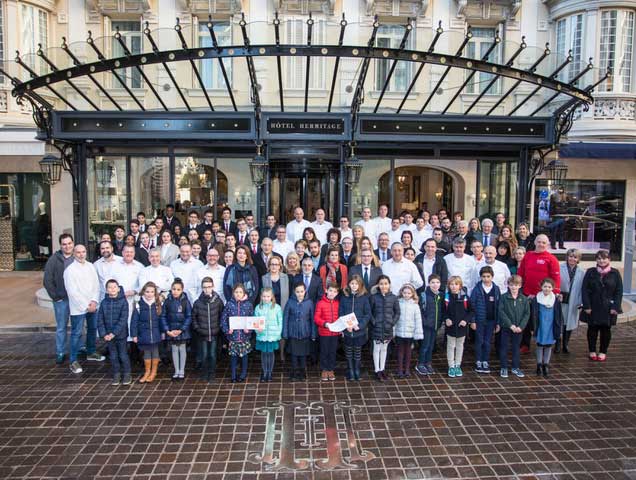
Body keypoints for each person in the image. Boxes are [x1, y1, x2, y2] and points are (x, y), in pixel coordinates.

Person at [63, 244, 103, 374]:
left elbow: (96, 285)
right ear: (74, 254)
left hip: (92, 305)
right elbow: (72, 292)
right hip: (78, 308)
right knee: (76, 333)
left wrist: (94, 301)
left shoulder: (91, 266)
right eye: (78, 252)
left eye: (83, 252)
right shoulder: (70, 270)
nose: (81, 254)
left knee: (92, 329)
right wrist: (86, 305)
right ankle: (73, 361)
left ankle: (91, 352)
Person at [517, 234, 561, 353]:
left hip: (543, 296)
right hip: (527, 294)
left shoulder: (551, 259)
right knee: (525, 320)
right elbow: (521, 273)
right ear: (535, 242)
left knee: (542, 321)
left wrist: (556, 292)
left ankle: (543, 342)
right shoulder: (528, 256)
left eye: (544, 242)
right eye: (539, 242)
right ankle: (525, 344)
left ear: (547, 244)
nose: (541, 244)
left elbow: (555, 277)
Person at [581, 250, 623, 362]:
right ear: (596, 260)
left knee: (606, 330)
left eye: (604, 258)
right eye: (599, 258)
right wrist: (587, 306)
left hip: (608, 307)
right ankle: (592, 351)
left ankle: (603, 351)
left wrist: (616, 307)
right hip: (593, 306)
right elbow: (584, 290)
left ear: (609, 259)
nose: (601, 260)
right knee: (592, 330)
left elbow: (619, 291)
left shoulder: (615, 273)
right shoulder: (590, 272)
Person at [44, 233, 75, 365]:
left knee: (77, 327)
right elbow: (47, 280)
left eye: (69, 243)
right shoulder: (53, 259)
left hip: (76, 300)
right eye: (64, 244)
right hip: (61, 300)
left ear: (73, 243)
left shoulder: (77, 257)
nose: (67, 246)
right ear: (60, 245)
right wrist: (55, 297)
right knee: (61, 327)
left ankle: (77, 349)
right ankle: (60, 352)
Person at [97, 279, 131, 386]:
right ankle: (116, 373)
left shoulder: (123, 302)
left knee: (123, 354)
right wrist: (104, 334)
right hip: (108, 336)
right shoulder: (103, 303)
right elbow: (100, 319)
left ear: (118, 289)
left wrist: (113, 333)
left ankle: (127, 373)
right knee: (113, 356)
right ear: (106, 290)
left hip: (120, 335)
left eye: (114, 287)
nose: (112, 289)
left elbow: (123, 319)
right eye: (109, 287)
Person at [339, 275, 371, 381]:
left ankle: (357, 369)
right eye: (352, 283)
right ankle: (350, 370)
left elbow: (367, 314)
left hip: (359, 331)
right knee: (348, 351)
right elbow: (341, 313)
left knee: (357, 352)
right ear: (349, 284)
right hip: (348, 331)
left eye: (356, 284)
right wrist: (346, 326)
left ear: (360, 285)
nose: (354, 286)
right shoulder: (344, 297)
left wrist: (360, 325)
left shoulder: (364, 298)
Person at [191, 277, 224, 383]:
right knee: (204, 355)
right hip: (203, 334)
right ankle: (205, 373)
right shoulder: (198, 303)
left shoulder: (218, 301)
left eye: (209, 287)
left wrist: (219, 327)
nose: (207, 289)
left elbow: (222, 316)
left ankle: (212, 372)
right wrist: (198, 328)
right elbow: (194, 317)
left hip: (214, 333)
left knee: (213, 354)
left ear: (213, 287)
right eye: (204, 287)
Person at [470, 266, 501, 374]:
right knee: (479, 341)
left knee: (488, 341)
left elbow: (498, 307)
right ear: (480, 277)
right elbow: (472, 305)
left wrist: (498, 322)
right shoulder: (477, 289)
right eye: (484, 276)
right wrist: (473, 320)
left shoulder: (496, 289)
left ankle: (485, 360)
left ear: (492, 277)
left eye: (488, 276)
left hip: (491, 320)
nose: (486, 279)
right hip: (479, 320)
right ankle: (478, 360)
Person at [283, 282, 317, 381]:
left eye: (302, 291)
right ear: (294, 292)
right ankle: (294, 371)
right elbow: (286, 317)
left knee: (303, 354)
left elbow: (312, 319)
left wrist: (313, 333)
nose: (300, 294)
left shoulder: (309, 303)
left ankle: (302, 371)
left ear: (305, 291)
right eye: (297, 292)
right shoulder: (290, 302)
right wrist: (285, 332)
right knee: (294, 354)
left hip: (304, 332)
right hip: (293, 332)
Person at [498, 275, 530, 378]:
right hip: (507, 328)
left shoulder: (524, 299)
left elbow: (527, 314)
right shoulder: (503, 297)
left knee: (516, 348)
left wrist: (521, 326)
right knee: (504, 347)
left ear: (520, 286)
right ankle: (504, 367)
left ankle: (515, 367)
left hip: (519, 329)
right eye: (511, 285)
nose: (514, 287)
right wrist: (510, 325)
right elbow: (501, 312)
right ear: (508, 285)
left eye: (516, 285)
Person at [130, 282, 163, 383]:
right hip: (144, 333)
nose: (149, 294)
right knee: (147, 353)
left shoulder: (158, 304)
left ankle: (154, 372)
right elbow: (134, 321)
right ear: (143, 292)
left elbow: (161, 319)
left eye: (152, 292)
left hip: (156, 333)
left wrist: (163, 332)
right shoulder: (139, 304)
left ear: (155, 293)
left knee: (155, 352)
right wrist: (134, 334)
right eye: (147, 291)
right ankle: (147, 371)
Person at [221, 284, 254, 383]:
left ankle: (243, 374)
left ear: (244, 293)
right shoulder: (229, 304)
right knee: (233, 357)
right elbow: (223, 320)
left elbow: (252, 319)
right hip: (233, 337)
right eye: (236, 292)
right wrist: (227, 330)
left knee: (244, 357)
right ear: (233, 293)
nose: (238, 294)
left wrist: (249, 329)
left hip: (244, 337)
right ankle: (233, 375)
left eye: (240, 292)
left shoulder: (248, 305)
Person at [530, 278, 563, 377]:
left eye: (549, 287)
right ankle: (539, 364)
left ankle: (546, 364)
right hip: (540, 325)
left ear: (553, 288)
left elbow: (559, 315)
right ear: (541, 287)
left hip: (551, 325)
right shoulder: (536, 299)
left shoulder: (555, 300)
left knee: (548, 345)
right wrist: (533, 327)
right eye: (545, 286)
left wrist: (559, 328)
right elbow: (533, 314)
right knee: (540, 344)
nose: (547, 289)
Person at [368, 275, 399, 381]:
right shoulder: (373, 297)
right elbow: (369, 312)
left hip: (387, 328)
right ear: (378, 285)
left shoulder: (393, 298)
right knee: (376, 349)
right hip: (376, 328)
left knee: (384, 348)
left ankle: (382, 369)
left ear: (389, 285)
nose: (384, 286)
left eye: (386, 283)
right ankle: (377, 370)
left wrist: (392, 322)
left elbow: (397, 312)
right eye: (381, 284)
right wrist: (374, 322)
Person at [161, 279, 192, 381]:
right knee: (174, 349)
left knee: (182, 349)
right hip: (171, 330)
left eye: (178, 289)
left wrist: (182, 329)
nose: (175, 291)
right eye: (174, 289)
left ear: (182, 290)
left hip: (182, 330)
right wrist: (167, 330)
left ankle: (182, 370)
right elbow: (163, 316)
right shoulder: (167, 301)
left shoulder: (185, 301)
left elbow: (189, 316)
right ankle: (176, 370)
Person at [416, 274, 445, 376]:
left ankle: (428, 362)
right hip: (427, 325)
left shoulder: (440, 295)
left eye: (437, 282)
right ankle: (420, 363)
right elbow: (420, 311)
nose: (435, 284)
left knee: (431, 345)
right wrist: (425, 322)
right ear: (429, 283)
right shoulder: (424, 295)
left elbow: (442, 310)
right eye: (432, 282)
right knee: (425, 345)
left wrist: (440, 321)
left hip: (435, 325)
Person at [557, 248, 584, 354]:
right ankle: (558, 344)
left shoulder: (581, 272)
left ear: (578, 259)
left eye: (575, 257)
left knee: (569, 323)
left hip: (573, 300)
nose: (572, 258)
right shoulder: (560, 268)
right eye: (570, 256)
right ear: (567, 257)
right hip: (561, 299)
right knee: (559, 322)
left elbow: (583, 288)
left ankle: (565, 344)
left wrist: (581, 301)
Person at [444, 276, 473, 378]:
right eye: (451, 284)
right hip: (451, 327)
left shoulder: (465, 298)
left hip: (462, 327)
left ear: (460, 286)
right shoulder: (446, 297)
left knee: (460, 346)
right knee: (451, 346)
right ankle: (451, 366)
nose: (454, 286)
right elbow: (443, 311)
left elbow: (471, 311)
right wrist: (446, 319)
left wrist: (466, 320)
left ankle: (457, 365)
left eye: (456, 284)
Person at [254, 287, 283, 383]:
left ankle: (270, 372)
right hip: (262, 335)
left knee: (270, 354)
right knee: (264, 354)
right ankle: (264, 371)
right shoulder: (258, 308)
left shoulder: (277, 307)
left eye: (268, 296)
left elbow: (280, 322)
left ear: (272, 297)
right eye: (264, 296)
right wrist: (257, 330)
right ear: (261, 297)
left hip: (272, 336)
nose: (266, 298)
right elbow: (255, 322)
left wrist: (278, 334)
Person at [394, 283, 423, 378]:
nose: (406, 295)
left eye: (409, 293)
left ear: (412, 294)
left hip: (410, 333)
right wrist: (393, 330)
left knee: (408, 351)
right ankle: (399, 369)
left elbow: (418, 320)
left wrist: (417, 333)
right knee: (400, 351)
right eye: (405, 292)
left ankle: (406, 369)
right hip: (399, 332)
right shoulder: (398, 303)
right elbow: (395, 318)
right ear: (402, 292)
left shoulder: (415, 305)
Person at [314, 283, 340, 381]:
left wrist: (341, 328)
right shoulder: (320, 303)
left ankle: (331, 369)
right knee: (324, 351)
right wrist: (325, 324)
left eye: (334, 291)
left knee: (333, 351)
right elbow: (316, 318)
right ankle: (324, 369)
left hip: (335, 333)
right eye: (330, 290)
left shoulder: (338, 303)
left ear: (337, 293)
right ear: (326, 290)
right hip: (324, 332)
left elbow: (340, 317)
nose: (332, 293)